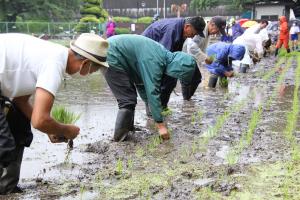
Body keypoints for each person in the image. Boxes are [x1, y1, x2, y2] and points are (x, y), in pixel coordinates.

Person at [0, 33, 108, 194]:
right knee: (3, 146)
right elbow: (40, 120)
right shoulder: (54, 63)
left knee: (19, 126)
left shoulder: (54, 54)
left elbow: (20, 100)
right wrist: (66, 130)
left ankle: (6, 189)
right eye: (95, 68)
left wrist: (51, 129)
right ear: (85, 63)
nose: (93, 73)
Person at [104, 34, 197, 142]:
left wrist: (151, 109)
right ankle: (119, 139)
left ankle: (129, 128)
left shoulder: (163, 56)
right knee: (127, 100)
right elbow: (152, 92)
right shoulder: (155, 62)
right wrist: (161, 125)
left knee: (131, 97)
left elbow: (141, 84)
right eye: (178, 74)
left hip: (115, 53)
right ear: (178, 68)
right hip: (112, 54)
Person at [142, 16, 226, 108]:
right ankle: (154, 110)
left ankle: (162, 107)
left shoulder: (183, 29)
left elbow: (174, 51)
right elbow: (164, 53)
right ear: (187, 27)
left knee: (171, 80)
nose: (194, 36)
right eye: (194, 33)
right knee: (161, 81)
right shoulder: (173, 30)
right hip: (146, 52)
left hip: (159, 52)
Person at [181, 16, 227, 99]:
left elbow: (201, 49)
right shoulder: (201, 30)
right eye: (217, 30)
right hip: (185, 56)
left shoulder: (207, 33)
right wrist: (205, 58)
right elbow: (191, 47)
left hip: (190, 58)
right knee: (189, 79)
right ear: (212, 24)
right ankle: (186, 100)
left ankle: (187, 100)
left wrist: (206, 58)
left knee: (195, 78)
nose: (217, 33)